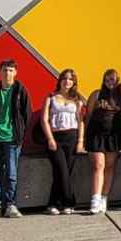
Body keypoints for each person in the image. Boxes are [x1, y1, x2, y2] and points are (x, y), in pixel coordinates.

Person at [0, 58, 30, 221]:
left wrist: (20, 134)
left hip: (12, 138)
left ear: (15, 72)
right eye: (4, 70)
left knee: (11, 173)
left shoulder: (20, 91)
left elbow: (26, 114)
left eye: (10, 70)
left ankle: (10, 205)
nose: (7, 73)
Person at [41, 69, 86, 215]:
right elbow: (44, 120)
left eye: (70, 79)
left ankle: (53, 203)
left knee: (64, 173)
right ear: (60, 80)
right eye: (65, 78)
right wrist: (50, 138)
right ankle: (69, 202)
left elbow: (81, 122)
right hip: (56, 137)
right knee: (61, 170)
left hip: (72, 137)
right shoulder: (50, 98)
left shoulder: (77, 101)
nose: (67, 81)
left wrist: (80, 141)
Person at [84, 69, 121, 214]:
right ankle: (95, 199)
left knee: (109, 166)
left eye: (113, 81)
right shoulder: (96, 95)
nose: (110, 84)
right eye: (107, 81)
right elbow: (88, 115)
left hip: (113, 136)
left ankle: (104, 198)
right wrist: (83, 136)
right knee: (98, 165)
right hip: (96, 135)